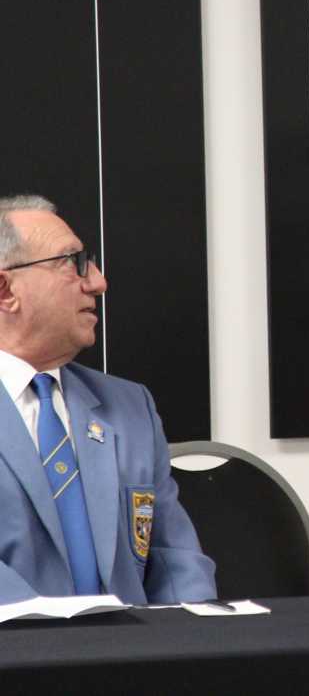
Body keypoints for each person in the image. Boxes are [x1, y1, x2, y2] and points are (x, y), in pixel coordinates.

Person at [0, 195, 215, 603]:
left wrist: (193, 631)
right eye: (72, 262)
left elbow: (175, 558)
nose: (98, 282)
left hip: (135, 642)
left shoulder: (131, 407)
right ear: (5, 290)